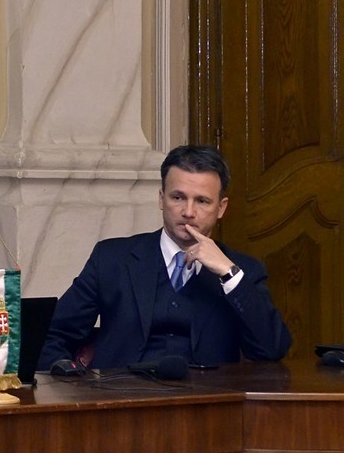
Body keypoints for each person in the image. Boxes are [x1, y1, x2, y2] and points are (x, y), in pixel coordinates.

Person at [38, 143, 291, 371]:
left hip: (209, 402)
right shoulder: (112, 259)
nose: (188, 211)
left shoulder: (243, 271)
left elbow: (271, 350)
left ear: (221, 208)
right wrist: (71, 383)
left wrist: (229, 274)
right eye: (178, 197)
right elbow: (52, 336)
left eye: (202, 201)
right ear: (161, 199)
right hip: (121, 399)